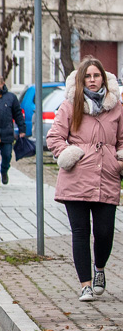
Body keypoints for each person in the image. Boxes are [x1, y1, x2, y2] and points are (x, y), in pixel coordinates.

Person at [46, 58, 123, 302]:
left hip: (106, 175)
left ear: (103, 79)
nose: (92, 80)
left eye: (96, 75)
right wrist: (70, 155)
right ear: (81, 80)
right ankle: (85, 285)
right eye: (87, 76)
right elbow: (54, 137)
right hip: (76, 177)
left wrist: (119, 161)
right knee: (80, 232)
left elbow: (122, 140)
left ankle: (99, 269)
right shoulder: (70, 105)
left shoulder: (117, 107)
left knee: (104, 232)